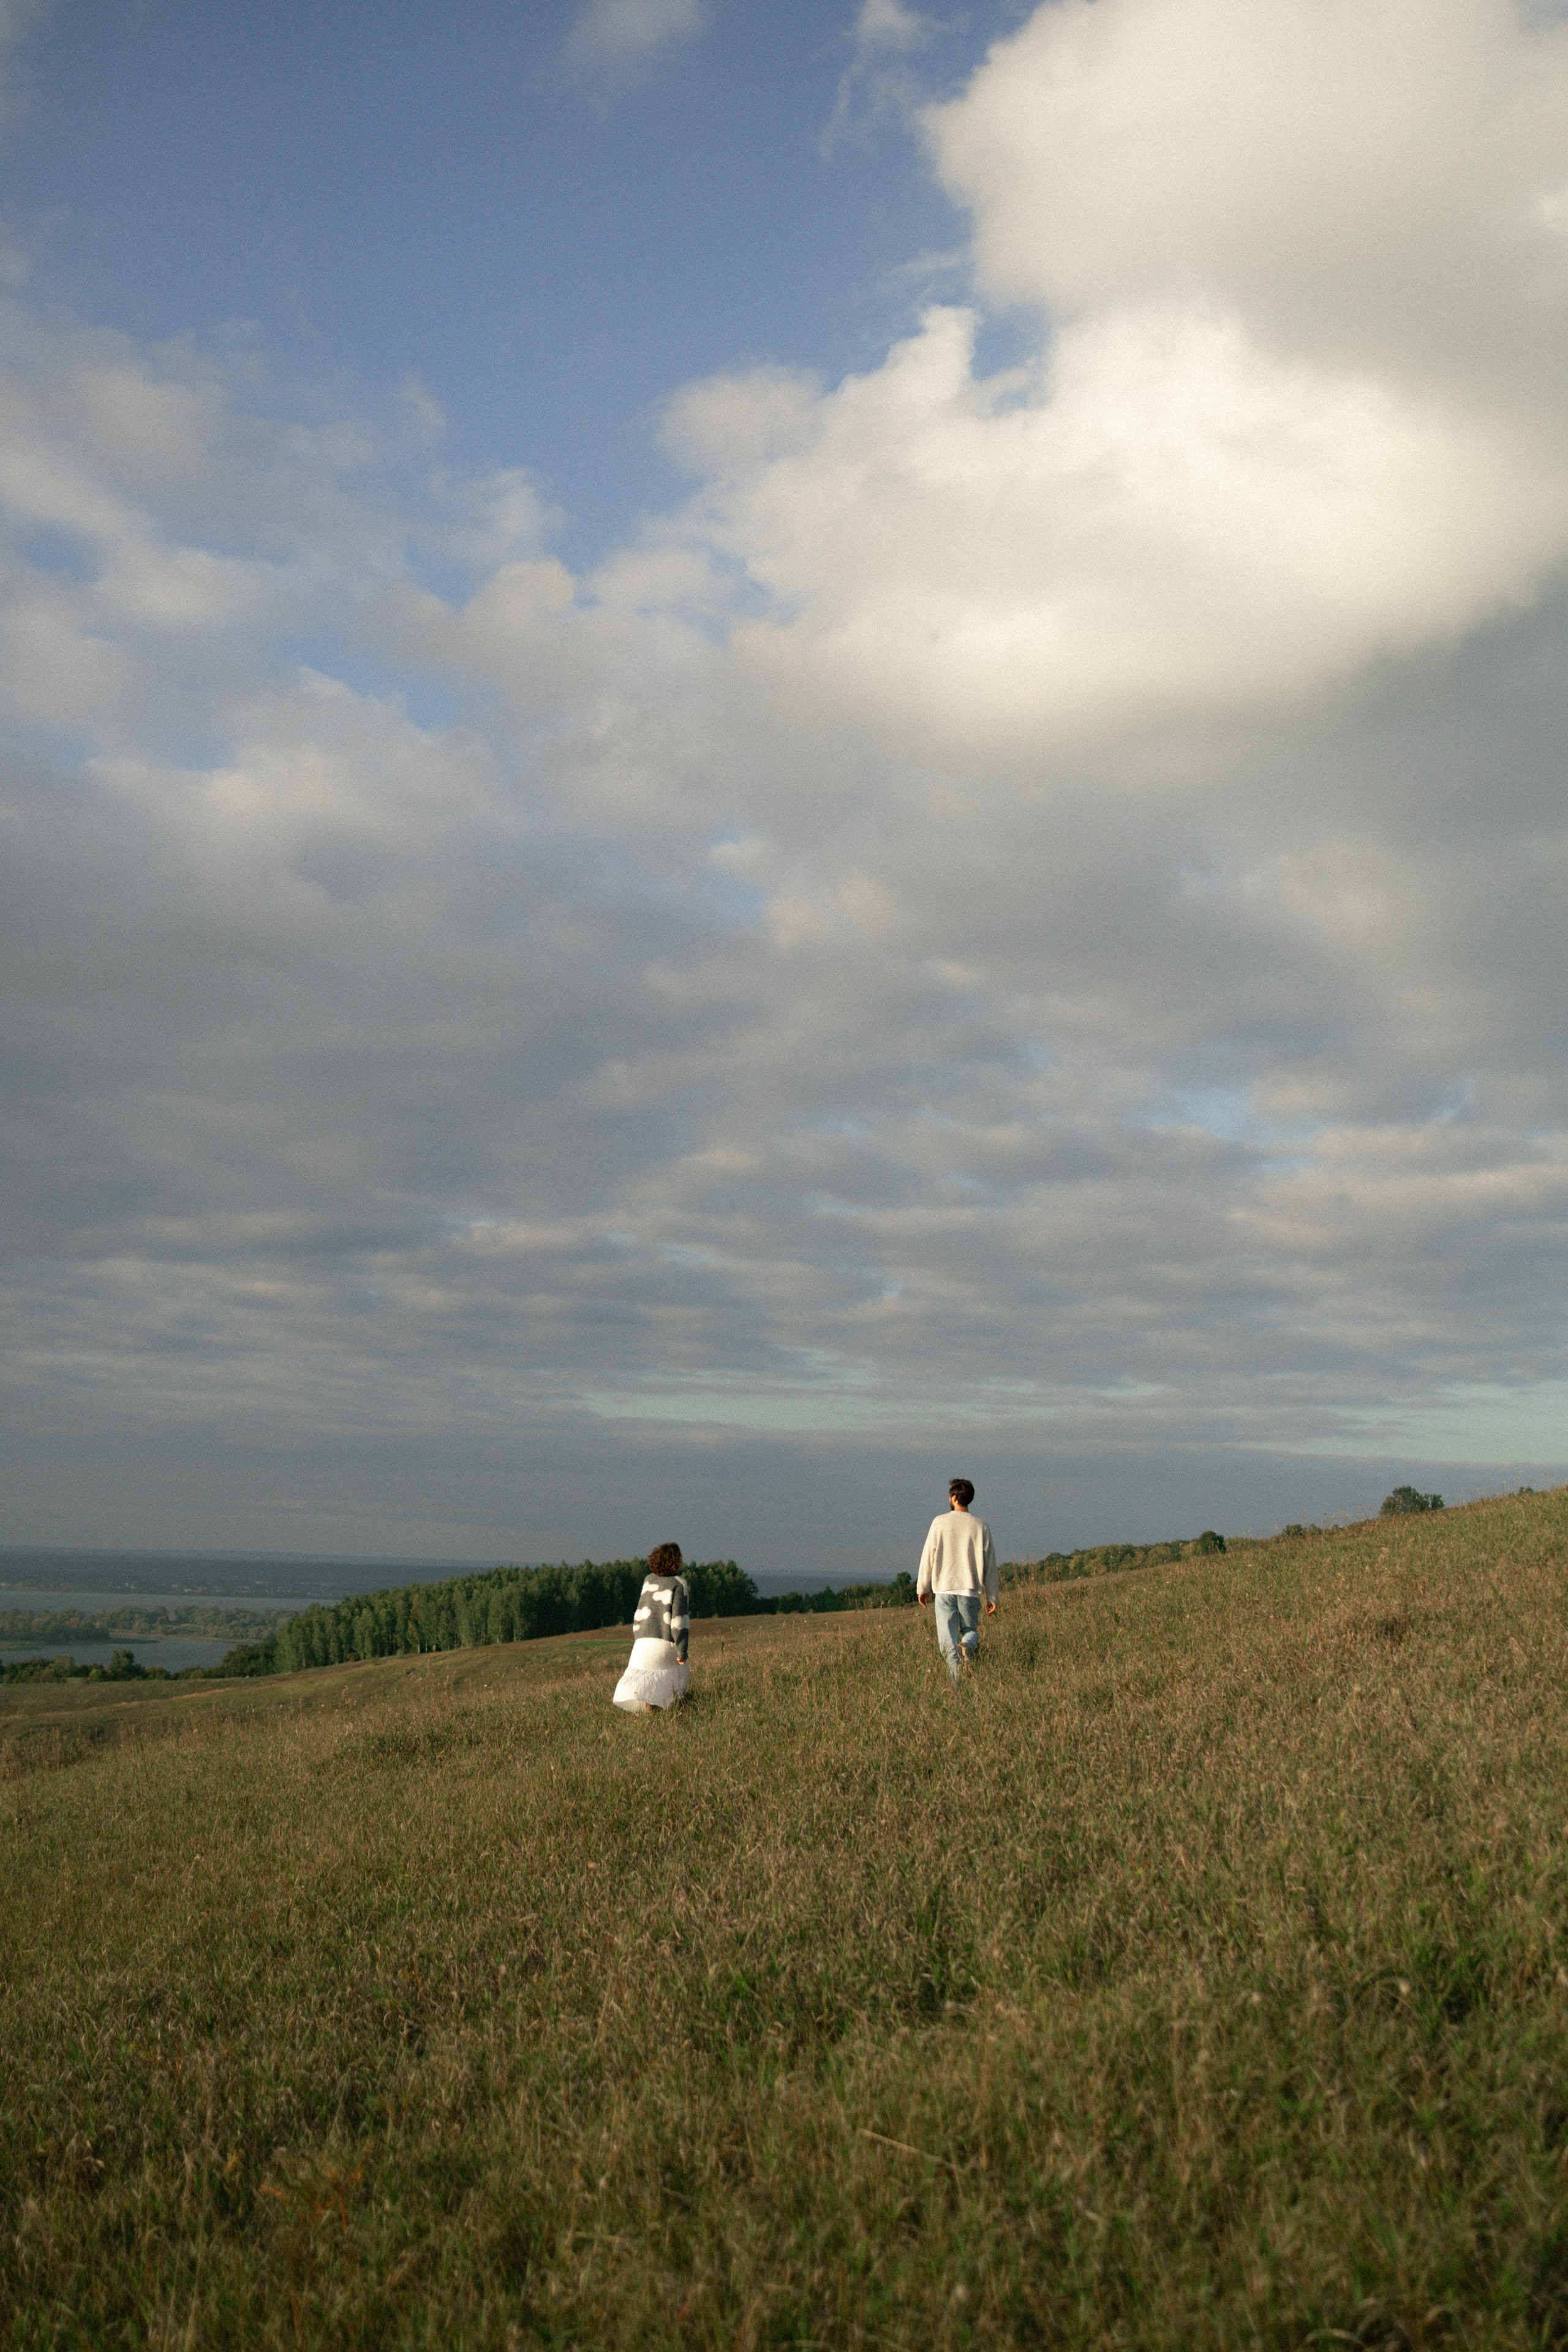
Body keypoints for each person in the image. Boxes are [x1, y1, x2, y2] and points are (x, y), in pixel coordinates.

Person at [916, 1477, 998, 1684]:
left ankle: (956, 1685)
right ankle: (968, 1647)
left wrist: (922, 1587)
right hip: (970, 1590)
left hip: (943, 1589)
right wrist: (993, 1596)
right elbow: (990, 1564)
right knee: (970, 1632)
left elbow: (929, 1555)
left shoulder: (939, 1522)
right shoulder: (981, 1526)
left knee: (947, 1642)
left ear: (953, 1498)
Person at [612, 1541, 692, 1714]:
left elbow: (638, 1615)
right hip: (663, 1644)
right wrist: (682, 1652)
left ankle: (651, 1712)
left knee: (648, 1680)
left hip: (641, 1646)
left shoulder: (648, 1580)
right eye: (680, 1557)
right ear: (675, 1561)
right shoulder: (679, 1584)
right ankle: (676, 1711)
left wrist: (639, 1641)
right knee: (681, 1671)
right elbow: (679, 1622)